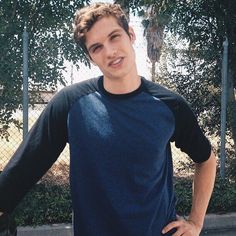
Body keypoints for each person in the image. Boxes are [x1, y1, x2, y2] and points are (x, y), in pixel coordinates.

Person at [0, 2, 216, 236]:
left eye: (114, 37)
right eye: (97, 47)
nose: (110, 52)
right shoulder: (71, 104)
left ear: (131, 34)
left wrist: (196, 223)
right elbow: (22, 171)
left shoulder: (169, 105)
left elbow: (206, 159)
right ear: (91, 57)